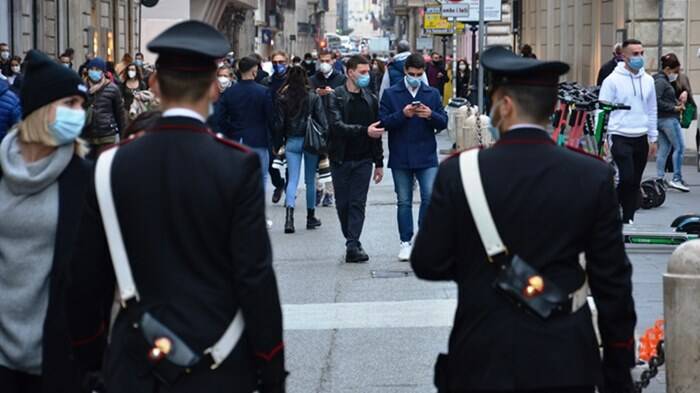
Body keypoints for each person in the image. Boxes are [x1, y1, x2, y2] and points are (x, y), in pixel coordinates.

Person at [66, 20, 286, 393]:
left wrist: (90, 360)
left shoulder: (109, 165)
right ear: (215, 89)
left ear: (154, 85)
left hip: (134, 362)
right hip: (219, 359)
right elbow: (254, 276)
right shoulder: (237, 163)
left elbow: (86, 279)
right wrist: (270, 365)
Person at [411, 45, 637, 393]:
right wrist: (618, 371)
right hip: (565, 355)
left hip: (482, 351)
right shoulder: (591, 175)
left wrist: (479, 266)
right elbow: (613, 284)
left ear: (505, 105)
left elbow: (427, 262)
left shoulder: (460, 172)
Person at [0, 49, 102, 393]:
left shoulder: (87, 179)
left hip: (60, 356)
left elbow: (95, 276)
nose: (79, 114)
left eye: (80, 105)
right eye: (69, 104)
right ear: (42, 110)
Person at [379, 53, 447, 261]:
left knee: (428, 197)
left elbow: (443, 122)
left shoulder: (432, 94)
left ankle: (423, 238)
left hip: (426, 154)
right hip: (401, 154)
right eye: (411, 74)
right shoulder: (391, 94)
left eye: (418, 74)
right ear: (405, 72)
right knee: (404, 201)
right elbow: (383, 122)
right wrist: (403, 114)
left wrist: (431, 115)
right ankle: (405, 241)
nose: (415, 77)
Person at [327, 55, 384, 263]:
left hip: (363, 160)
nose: (366, 76)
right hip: (340, 158)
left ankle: (353, 244)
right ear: (350, 72)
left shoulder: (371, 99)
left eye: (367, 72)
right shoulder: (336, 97)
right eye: (362, 72)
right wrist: (364, 131)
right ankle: (351, 239)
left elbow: (376, 132)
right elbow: (337, 127)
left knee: (357, 202)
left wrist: (379, 163)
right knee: (343, 204)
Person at [599, 39, 657, 224]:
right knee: (626, 177)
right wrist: (602, 138)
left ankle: (628, 218)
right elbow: (602, 109)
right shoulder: (612, 81)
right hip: (619, 134)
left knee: (635, 181)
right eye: (635, 54)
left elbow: (652, 109)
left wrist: (653, 137)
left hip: (640, 136)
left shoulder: (648, 80)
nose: (640, 57)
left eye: (641, 53)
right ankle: (612, 209)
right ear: (624, 56)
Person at [273, 66, 328, 233]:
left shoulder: (283, 98)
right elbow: (323, 123)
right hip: (310, 141)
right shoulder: (313, 97)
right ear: (306, 79)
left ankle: (289, 220)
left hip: (292, 142)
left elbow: (279, 124)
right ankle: (310, 217)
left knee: (292, 180)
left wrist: (278, 144)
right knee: (310, 180)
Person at [216, 55, 273, 191]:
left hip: (236, 139)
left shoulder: (230, 93)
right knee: (261, 176)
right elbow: (271, 117)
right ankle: (258, 209)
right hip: (259, 140)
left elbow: (220, 117)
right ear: (254, 71)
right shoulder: (263, 92)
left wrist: (229, 131)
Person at [654, 53, 689, 192]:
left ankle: (660, 178)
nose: (677, 74)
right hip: (668, 119)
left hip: (662, 119)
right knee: (679, 147)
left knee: (664, 149)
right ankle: (676, 178)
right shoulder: (661, 82)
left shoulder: (660, 80)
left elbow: (661, 100)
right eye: (676, 71)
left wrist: (677, 102)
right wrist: (675, 107)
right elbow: (657, 101)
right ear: (668, 69)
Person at [83, 57, 126, 157]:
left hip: (107, 134)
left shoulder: (112, 88)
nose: (94, 72)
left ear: (103, 72)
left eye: (97, 69)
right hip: (87, 135)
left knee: (103, 165)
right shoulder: (82, 87)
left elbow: (119, 113)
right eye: (91, 69)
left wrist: (123, 136)